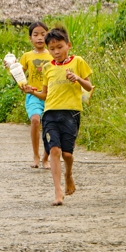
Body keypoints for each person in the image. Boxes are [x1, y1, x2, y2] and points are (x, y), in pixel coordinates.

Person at [26, 26, 93, 206]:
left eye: (60, 47)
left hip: (71, 113)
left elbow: (89, 87)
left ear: (68, 45)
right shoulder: (47, 67)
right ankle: (58, 192)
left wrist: (77, 79)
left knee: (67, 154)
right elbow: (45, 95)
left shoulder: (78, 61)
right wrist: (31, 91)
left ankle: (68, 174)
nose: (56, 52)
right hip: (50, 113)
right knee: (54, 150)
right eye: (52, 49)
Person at [17, 21, 51, 169]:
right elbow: (19, 76)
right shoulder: (26, 56)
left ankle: (46, 158)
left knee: (50, 127)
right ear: (30, 38)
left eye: (43, 34)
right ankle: (36, 156)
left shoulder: (53, 53)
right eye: (35, 34)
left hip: (52, 96)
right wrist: (12, 69)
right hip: (34, 95)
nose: (39, 38)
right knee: (36, 120)